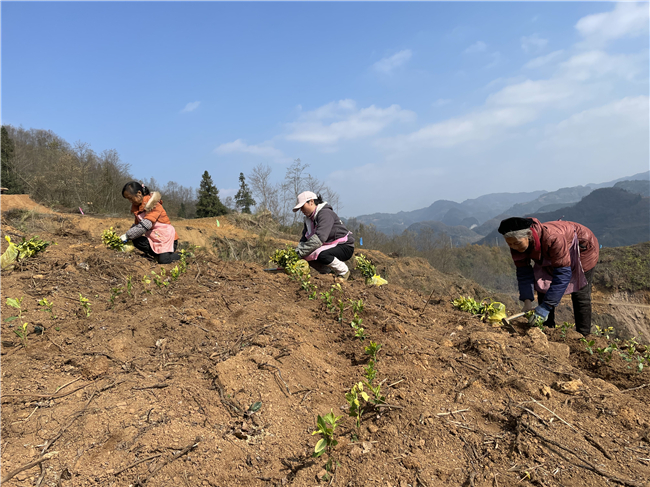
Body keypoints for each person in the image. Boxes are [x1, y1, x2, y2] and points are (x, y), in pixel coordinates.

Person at [498, 217, 599, 336]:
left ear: (529, 235)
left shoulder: (553, 238)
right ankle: (548, 329)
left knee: (580, 293)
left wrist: (546, 306)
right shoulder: (516, 243)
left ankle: (583, 334)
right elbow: (523, 272)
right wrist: (527, 301)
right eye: (510, 244)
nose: (514, 247)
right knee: (543, 284)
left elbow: (563, 274)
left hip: (582, 248)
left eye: (517, 243)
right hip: (551, 254)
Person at [293, 191, 354, 280]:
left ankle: (343, 272)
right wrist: (295, 253)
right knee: (306, 255)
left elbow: (320, 238)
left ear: (311, 202)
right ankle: (329, 273)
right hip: (329, 246)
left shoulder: (325, 213)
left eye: (302, 206)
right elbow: (304, 239)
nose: (301, 210)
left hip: (344, 246)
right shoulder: (309, 220)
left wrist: (299, 252)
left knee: (321, 254)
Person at [121, 182, 180, 264]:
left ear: (139, 193)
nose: (130, 201)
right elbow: (137, 226)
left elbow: (146, 224)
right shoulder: (136, 208)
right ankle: (157, 254)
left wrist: (127, 235)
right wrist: (129, 236)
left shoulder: (154, 204)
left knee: (163, 260)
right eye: (128, 199)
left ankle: (182, 255)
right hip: (154, 238)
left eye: (131, 198)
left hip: (167, 239)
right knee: (135, 239)